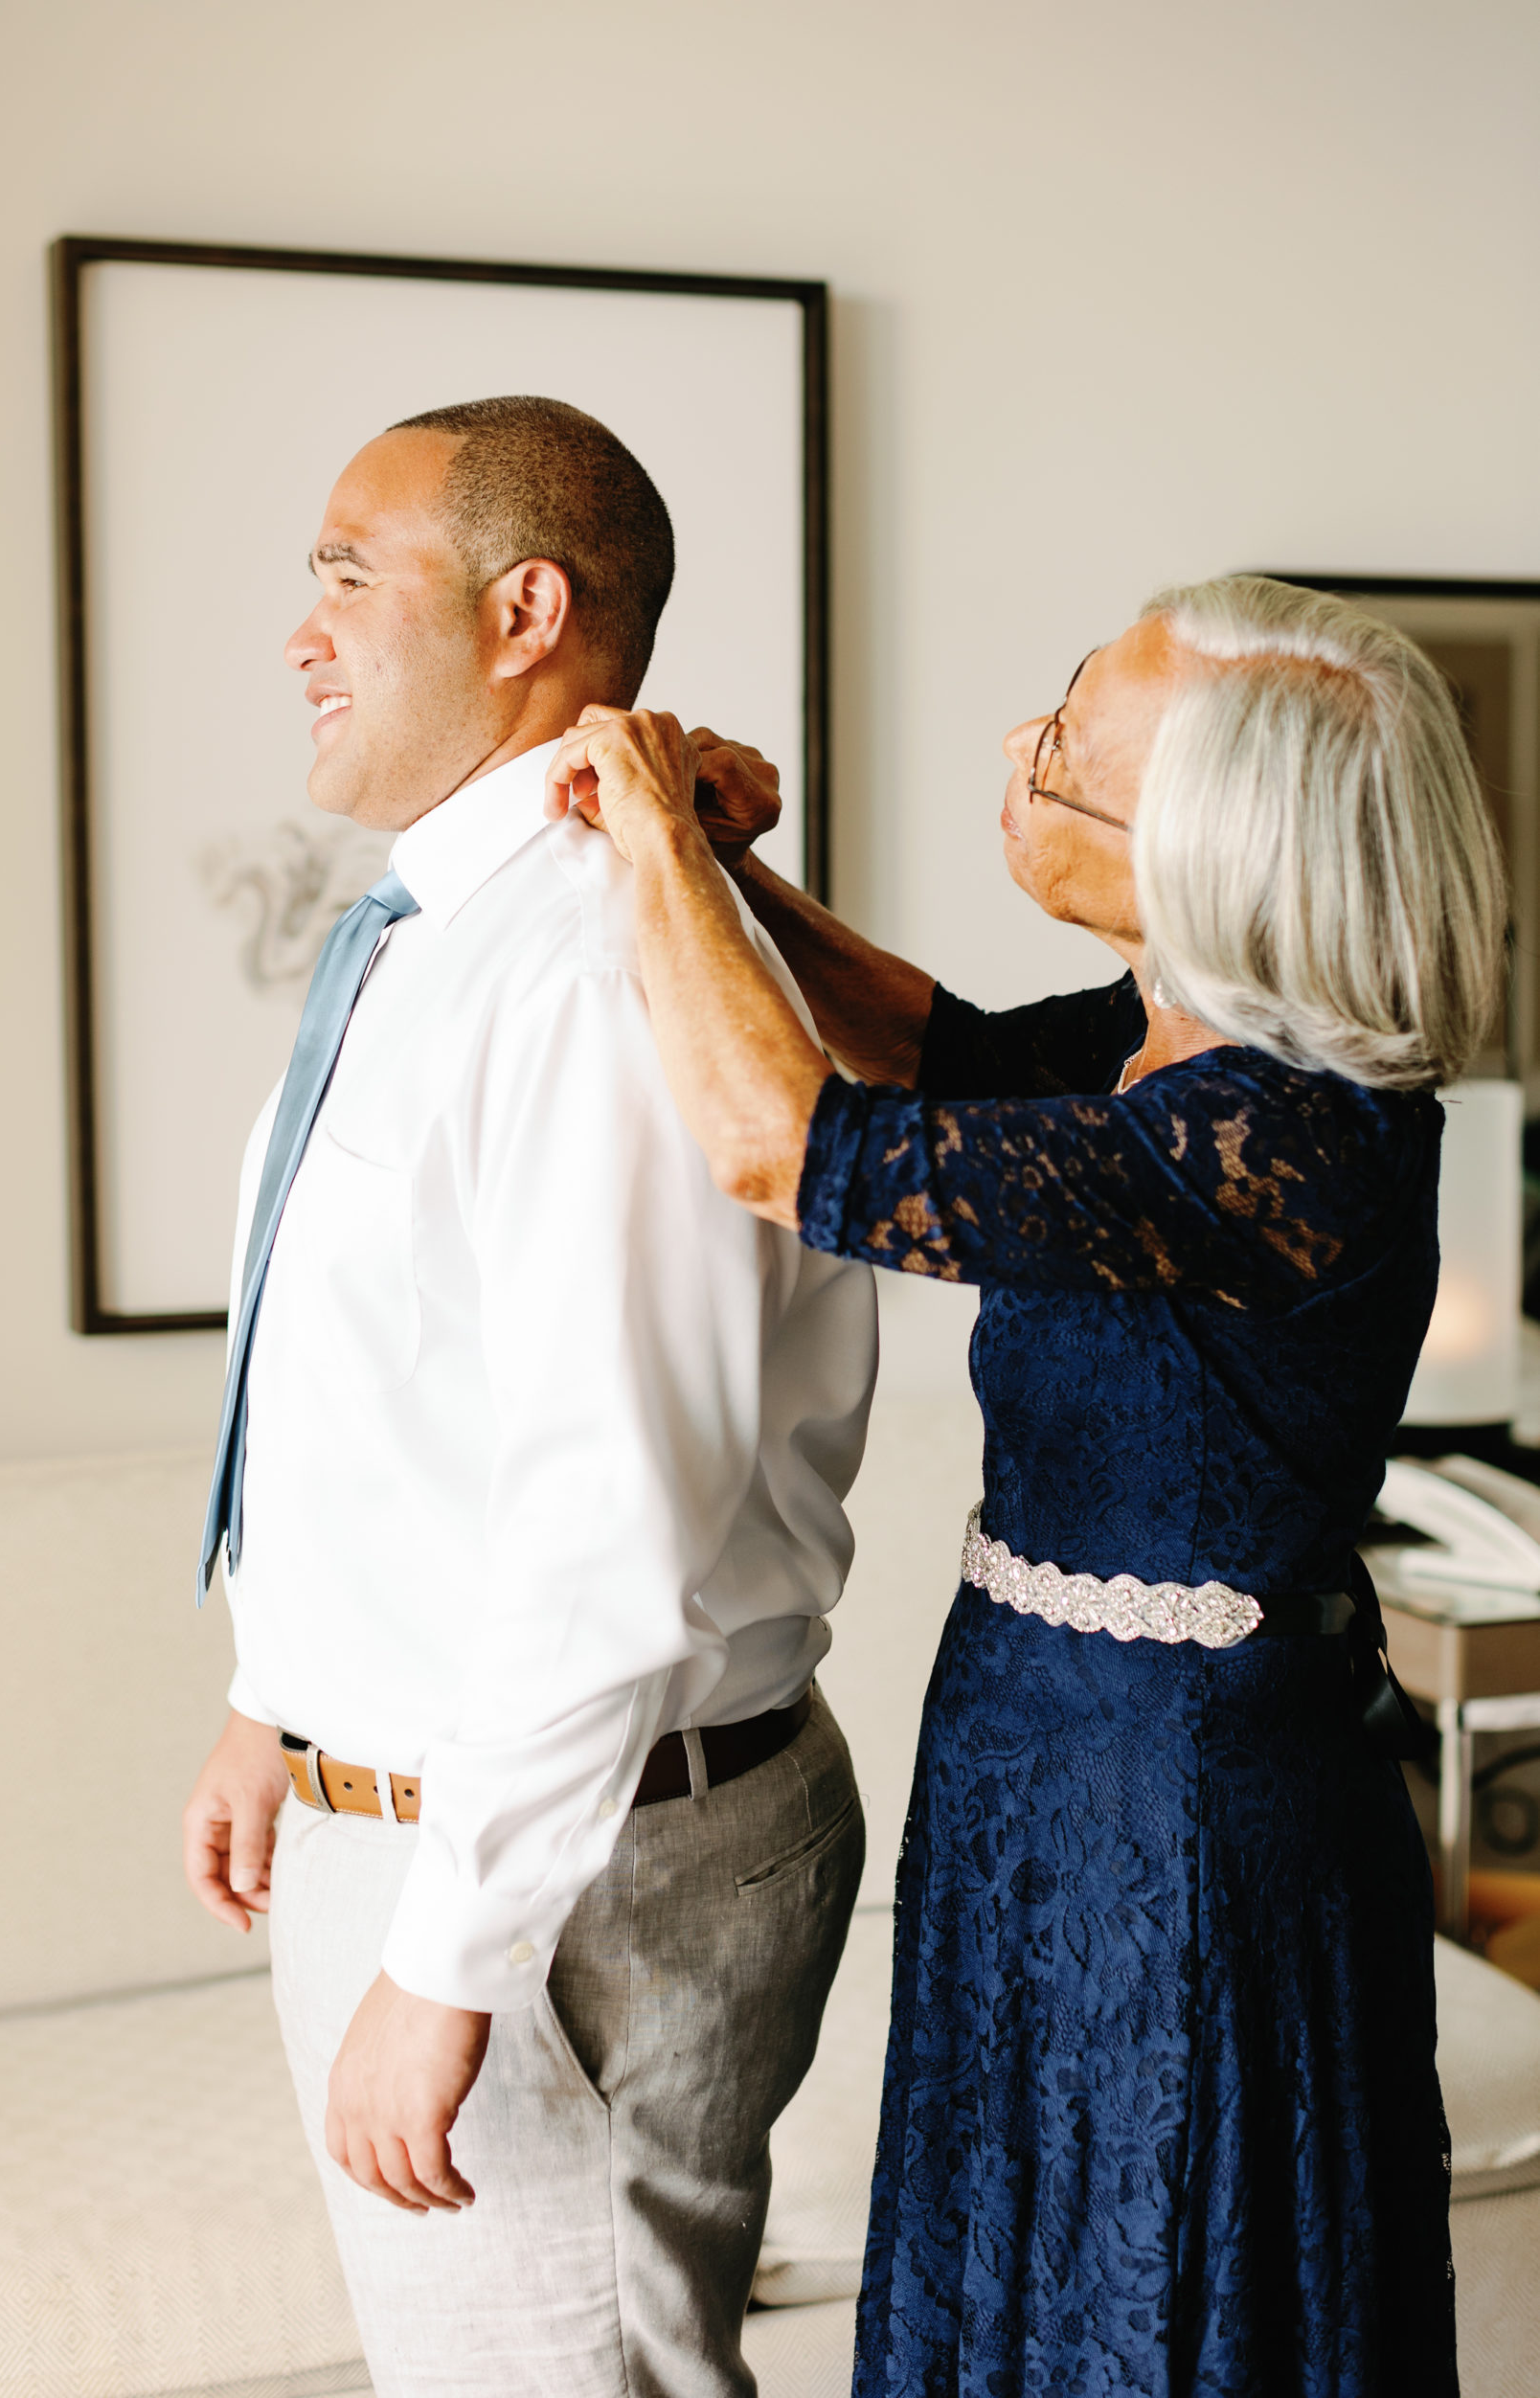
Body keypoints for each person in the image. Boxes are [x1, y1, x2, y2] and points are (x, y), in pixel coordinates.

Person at [543, 574, 1509, 2398]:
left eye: (1067, 746)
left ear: (1209, 855)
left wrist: (651, 836)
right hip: (1032, 1750)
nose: (1019, 752)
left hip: (1189, 1803)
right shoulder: (1159, 1044)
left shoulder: (1284, 1132)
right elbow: (933, 1057)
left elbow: (784, 1146)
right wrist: (737, 875)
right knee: (1018, 2245)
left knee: (1157, 2269)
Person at [180, 395, 879, 2398]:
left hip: (564, 1866)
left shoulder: (593, 961)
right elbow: (392, 1385)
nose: (300, 631)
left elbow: (609, 1515)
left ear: (523, 610)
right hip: (404, 1794)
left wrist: (450, 1948)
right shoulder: (438, 930)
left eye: (343, 575)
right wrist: (277, 1691)